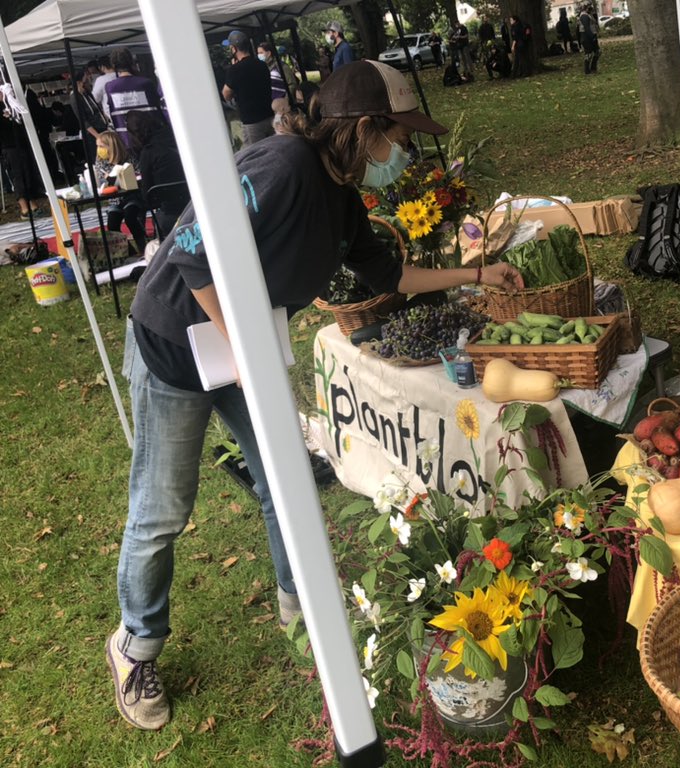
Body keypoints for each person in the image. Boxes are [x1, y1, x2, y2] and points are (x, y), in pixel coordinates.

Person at [106, 59, 524, 731]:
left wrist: (477, 271)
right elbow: (189, 250)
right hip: (176, 348)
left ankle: (299, 602)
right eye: (398, 136)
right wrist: (240, 350)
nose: (403, 153)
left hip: (244, 353)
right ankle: (134, 646)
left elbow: (389, 272)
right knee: (162, 509)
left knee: (284, 481)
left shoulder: (339, 193)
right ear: (364, 128)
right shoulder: (280, 167)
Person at [126, 110, 187, 238]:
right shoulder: (179, 140)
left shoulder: (148, 153)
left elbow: (147, 194)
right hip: (191, 202)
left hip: (169, 211)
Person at [94, 130, 147, 253]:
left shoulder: (128, 157)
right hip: (114, 200)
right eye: (97, 146)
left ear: (111, 146)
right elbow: (102, 182)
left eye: (101, 146)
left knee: (131, 218)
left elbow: (139, 174)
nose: (99, 149)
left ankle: (143, 247)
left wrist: (121, 178)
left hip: (132, 196)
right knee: (112, 225)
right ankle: (129, 251)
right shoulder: (100, 162)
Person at [104, 47, 164, 154]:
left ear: (114, 65)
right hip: (152, 137)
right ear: (131, 61)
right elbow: (158, 108)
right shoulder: (146, 83)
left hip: (126, 140)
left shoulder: (110, 87)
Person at [221, 30, 274, 148]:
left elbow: (226, 94)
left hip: (252, 122)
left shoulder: (234, 70)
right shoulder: (262, 65)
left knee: (257, 156)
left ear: (234, 49)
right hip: (269, 115)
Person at [0, 91, 47, 220]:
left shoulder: (11, 103)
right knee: (18, 176)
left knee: (28, 173)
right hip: (9, 147)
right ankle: (24, 208)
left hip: (22, 143)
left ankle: (32, 204)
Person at [70, 69, 108, 163]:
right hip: (93, 134)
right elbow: (83, 120)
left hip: (103, 127)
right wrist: (97, 136)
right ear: (79, 82)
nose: (88, 80)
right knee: (100, 158)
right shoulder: (75, 97)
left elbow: (97, 107)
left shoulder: (87, 92)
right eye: (85, 79)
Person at [256, 40, 291, 105]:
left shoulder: (281, 66)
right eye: (258, 53)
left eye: (261, 53)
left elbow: (291, 84)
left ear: (269, 53)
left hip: (283, 104)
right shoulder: (262, 68)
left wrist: (286, 100)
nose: (259, 55)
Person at [92, 55, 117, 120]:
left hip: (111, 113)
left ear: (102, 67)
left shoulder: (101, 80)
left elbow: (95, 98)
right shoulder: (121, 75)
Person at [578, 5, 600, 75]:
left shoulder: (588, 15)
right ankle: (587, 71)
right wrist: (592, 36)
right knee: (588, 54)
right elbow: (587, 28)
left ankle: (593, 68)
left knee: (597, 52)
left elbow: (593, 24)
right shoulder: (584, 16)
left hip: (591, 36)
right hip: (586, 37)